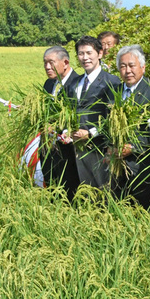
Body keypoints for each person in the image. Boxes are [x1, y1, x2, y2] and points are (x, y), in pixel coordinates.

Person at [110, 44, 150, 209]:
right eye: (123, 66)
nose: (127, 71)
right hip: (117, 167)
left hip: (144, 168)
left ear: (143, 67)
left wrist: (133, 147)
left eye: (131, 66)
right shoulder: (115, 91)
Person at [64, 35, 121, 189]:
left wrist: (90, 133)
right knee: (87, 190)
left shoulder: (112, 82)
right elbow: (67, 111)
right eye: (81, 54)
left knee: (105, 190)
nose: (85, 58)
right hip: (78, 148)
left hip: (101, 147)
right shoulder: (74, 83)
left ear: (100, 54)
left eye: (89, 53)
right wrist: (66, 130)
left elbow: (113, 118)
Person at [41, 45, 80, 196]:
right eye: (45, 63)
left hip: (68, 149)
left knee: (69, 190)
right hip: (48, 148)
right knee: (51, 187)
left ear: (65, 63)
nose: (47, 67)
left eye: (51, 62)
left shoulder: (78, 84)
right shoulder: (49, 84)